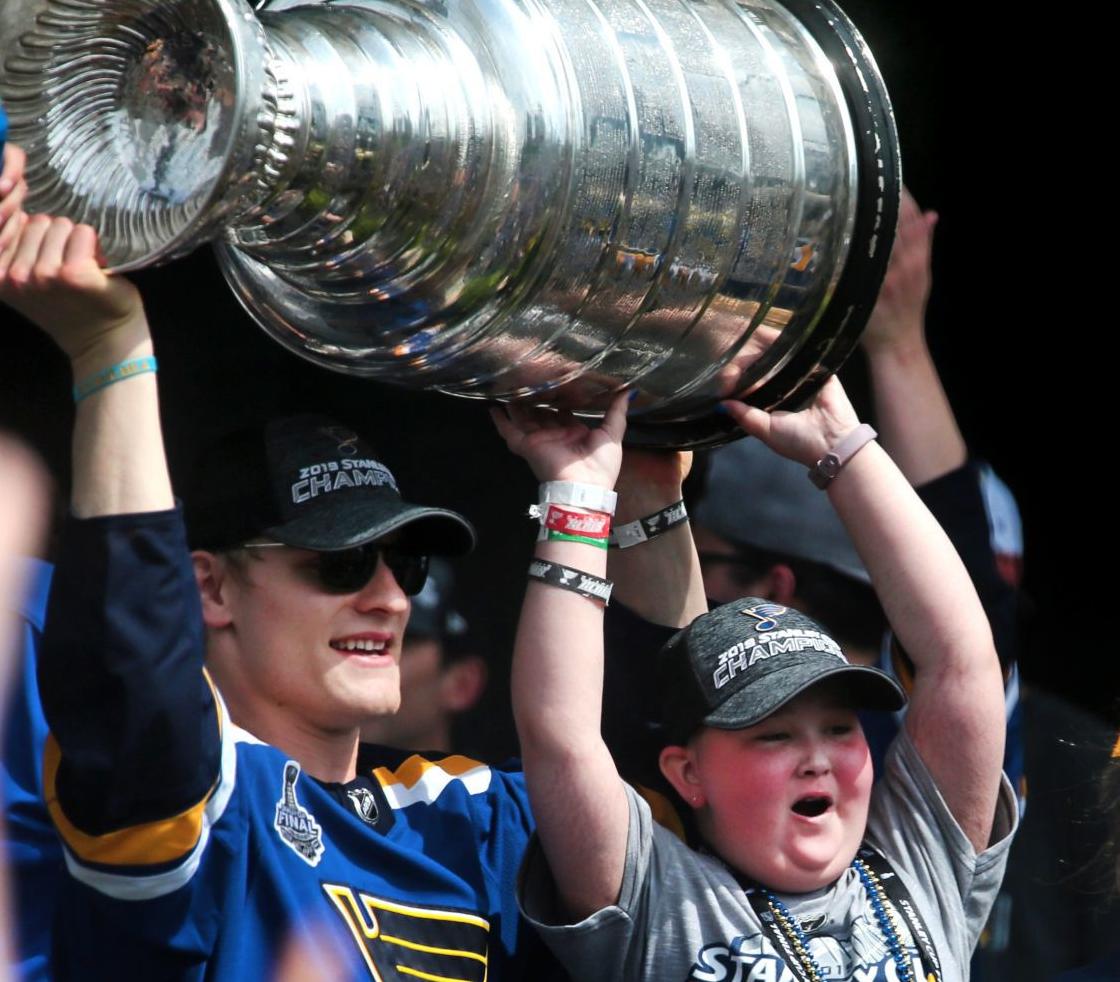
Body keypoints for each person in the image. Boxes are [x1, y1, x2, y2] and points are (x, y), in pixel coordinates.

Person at [0, 213, 542, 980]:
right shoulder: (205, 805)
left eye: (405, 563)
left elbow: (686, 806)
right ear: (211, 587)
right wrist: (110, 352)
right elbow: (139, 680)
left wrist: (630, 499)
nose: (390, 599)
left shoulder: (459, 812)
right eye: (342, 562)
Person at [493, 376, 1016, 980]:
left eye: (840, 728)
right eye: (774, 735)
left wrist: (844, 448)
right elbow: (561, 738)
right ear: (687, 773)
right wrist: (577, 498)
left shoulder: (922, 867)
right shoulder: (658, 900)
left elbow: (962, 663)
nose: (818, 758)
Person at [359, 557, 488, 754]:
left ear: (463, 684)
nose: (362, 657)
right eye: (357, 640)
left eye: (397, 642)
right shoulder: (297, 781)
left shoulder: (502, 785)